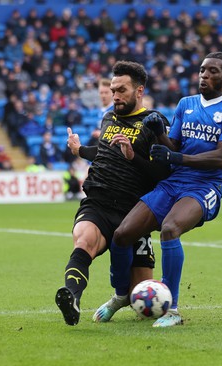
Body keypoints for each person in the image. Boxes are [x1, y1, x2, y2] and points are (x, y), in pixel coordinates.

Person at [95, 52, 222, 327]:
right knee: (122, 234)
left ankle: (172, 310)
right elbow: (174, 146)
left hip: (206, 185)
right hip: (174, 182)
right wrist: (159, 134)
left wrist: (178, 159)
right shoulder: (186, 104)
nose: (204, 76)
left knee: (170, 228)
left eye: (212, 72)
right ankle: (121, 295)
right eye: (202, 70)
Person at [55, 61, 170, 326]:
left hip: (134, 210)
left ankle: (121, 296)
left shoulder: (154, 122)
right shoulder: (109, 118)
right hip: (99, 200)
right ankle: (72, 298)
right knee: (83, 242)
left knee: (139, 297)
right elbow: (104, 151)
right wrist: (80, 150)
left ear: (139, 91)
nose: (115, 95)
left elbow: (163, 175)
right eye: (113, 89)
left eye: (122, 90)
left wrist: (133, 157)